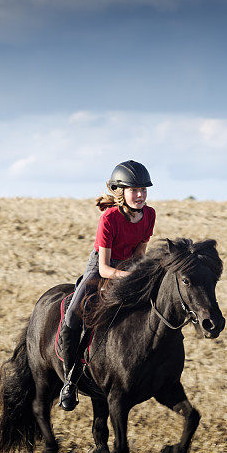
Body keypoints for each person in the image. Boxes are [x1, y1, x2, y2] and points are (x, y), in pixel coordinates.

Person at [58, 160, 156, 411]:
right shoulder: (109, 218)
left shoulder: (149, 215)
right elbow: (103, 269)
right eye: (135, 190)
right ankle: (69, 381)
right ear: (120, 192)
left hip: (128, 267)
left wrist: (139, 273)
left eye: (144, 190)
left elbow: (139, 253)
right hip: (101, 268)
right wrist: (130, 277)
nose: (141, 195)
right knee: (71, 320)